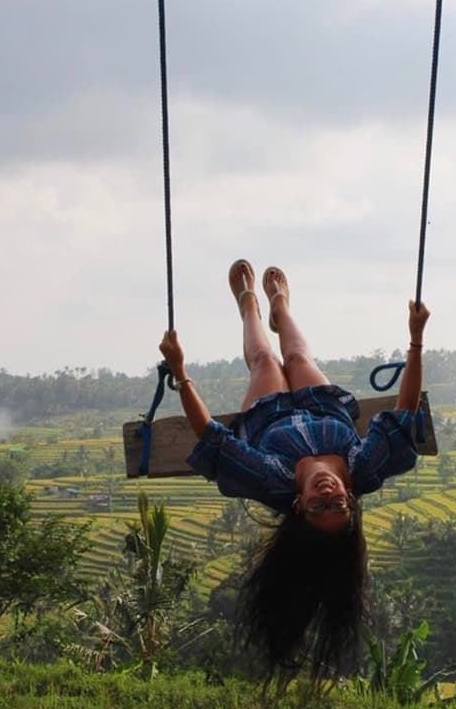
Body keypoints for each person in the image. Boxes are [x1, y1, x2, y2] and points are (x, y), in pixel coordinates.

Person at [159, 259, 430, 683]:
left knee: (266, 361)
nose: (329, 491)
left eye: (320, 503)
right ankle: (280, 306)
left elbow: (212, 436)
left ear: (300, 506)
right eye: (338, 501)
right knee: (299, 355)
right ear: (350, 500)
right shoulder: (364, 466)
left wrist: (180, 372)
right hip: (323, 406)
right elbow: (405, 409)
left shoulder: (269, 478)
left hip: (268, 416)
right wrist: (415, 340)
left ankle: (248, 304)